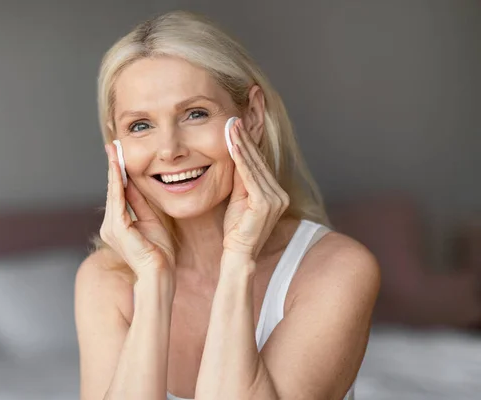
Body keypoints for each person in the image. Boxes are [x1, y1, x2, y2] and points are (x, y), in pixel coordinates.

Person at [75, 10, 380, 400]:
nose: (169, 150)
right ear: (116, 142)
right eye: (140, 125)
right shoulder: (104, 281)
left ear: (251, 115)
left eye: (195, 113)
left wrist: (237, 262)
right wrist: (153, 281)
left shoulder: (337, 271)